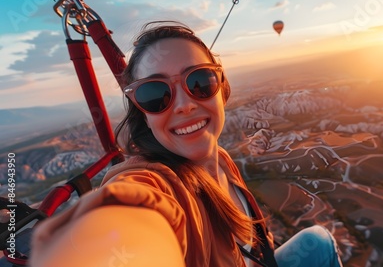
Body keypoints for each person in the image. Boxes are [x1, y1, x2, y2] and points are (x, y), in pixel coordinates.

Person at [30, 21, 343, 267]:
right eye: (155, 93)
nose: (183, 105)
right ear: (142, 111)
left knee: (318, 240)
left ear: (222, 88)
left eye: (199, 81)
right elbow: (134, 212)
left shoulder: (220, 159)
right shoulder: (156, 183)